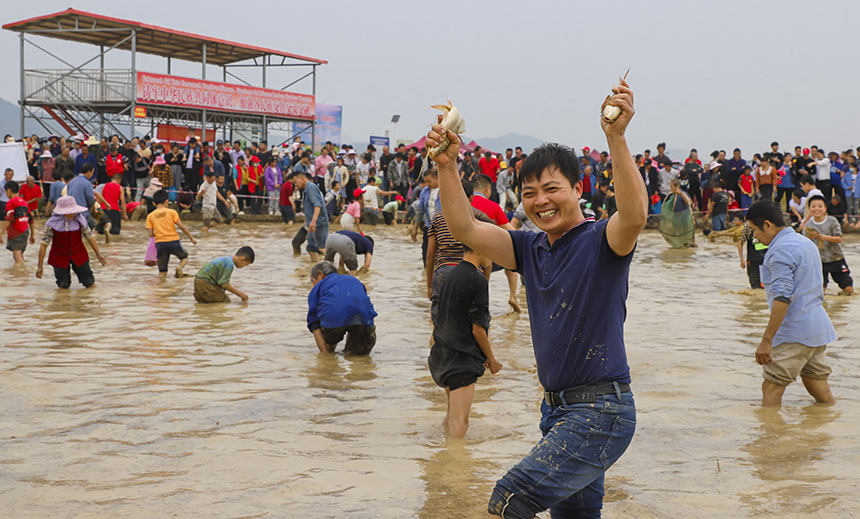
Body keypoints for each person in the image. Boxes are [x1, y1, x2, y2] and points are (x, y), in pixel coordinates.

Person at [427, 76, 643, 517]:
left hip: (600, 411)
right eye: (529, 194)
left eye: (551, 189)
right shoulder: (529, 248)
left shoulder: (604, 241)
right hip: (558, 414)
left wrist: (616, 138)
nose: (540, 202)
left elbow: (635, 215)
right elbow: (465, 228)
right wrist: (447, 165)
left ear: (579, 190)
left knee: (509, 499)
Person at [746, 201, 836, 407]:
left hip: (794, 332)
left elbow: (783, 297)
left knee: (771, 387)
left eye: (754, 230)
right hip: (817, 329)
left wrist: (766, 340)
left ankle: (769, 436)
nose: (755, 237)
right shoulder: (804, 242)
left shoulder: (780, 251)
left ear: (767, 225)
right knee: (819, 388)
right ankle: (827, 430)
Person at [429, 241, 502, 438]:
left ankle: (438, 460)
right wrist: (492, 360)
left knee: (450, 417)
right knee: (460, 423)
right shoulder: (477, 281)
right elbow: (478, 329)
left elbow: (442, 317)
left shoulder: (450, 274)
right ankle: (455, 467)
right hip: (460, 360)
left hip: (441, 355)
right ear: (478, 248)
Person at [306, 261, 377, 355]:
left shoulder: (318, 287)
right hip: (364, 319)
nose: (313, 285)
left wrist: (325, 354)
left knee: (328, 336)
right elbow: (359, 303)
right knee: (359, 355)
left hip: (334, 316)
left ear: (320, 275)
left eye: (312, 281)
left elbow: (313, 323)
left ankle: (329, 354)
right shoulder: (353, 280)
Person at [35, 196, 106, 288]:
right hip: (59, 256)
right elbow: (44, 244)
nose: (72, 213)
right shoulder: (52, 224)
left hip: (79, 254)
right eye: (69, 212)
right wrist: (40, 266)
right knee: (63, 284)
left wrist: (98, 254)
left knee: (89, 282)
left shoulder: (80, 220)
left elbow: (89, 236)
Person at [803, 195, 854, 295]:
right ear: (809, 209)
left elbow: (839, 239)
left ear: (825, 208)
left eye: (820, 206)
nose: (817, 209)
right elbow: (805, 244)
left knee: (848, 291)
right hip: (819, 261)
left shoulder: (832, 221)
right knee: (819, 292)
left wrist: (824, 237)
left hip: (836, 258)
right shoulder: (808, 225)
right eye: (813, 206)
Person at [145, 189, 198, 279]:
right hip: (173, 241)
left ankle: (160, 290)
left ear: (154, 203)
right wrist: (191, 238)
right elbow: (182, 227)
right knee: (184, 258)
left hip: (160, 244)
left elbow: (150, 234)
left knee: (162, 272)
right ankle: (179, 268)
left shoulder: (150, 216)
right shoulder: (172, 212)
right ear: (167, 201)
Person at [291, 170, 328, 262]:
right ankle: (315, 268)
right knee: (311, 248)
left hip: (318, 223)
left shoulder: (311, 188)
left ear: (302, 178)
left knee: (321, 247)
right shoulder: (306, 190)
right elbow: (309, 210)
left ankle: (334, 264)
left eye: (296, 182)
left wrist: (313, 222)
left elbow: (317, 205)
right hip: (312, 223)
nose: (295, 185)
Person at [0, 181, 35, 263]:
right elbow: (31, 219)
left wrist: (1, 232)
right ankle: (22, 273)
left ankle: (22, 273)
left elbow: (9, 218)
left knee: (17, 256)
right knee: (20, 255)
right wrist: (32, 234)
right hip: (25, 231)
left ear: (8, 190)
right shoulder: (23, 202)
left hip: (17, 231)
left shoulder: (11, 202)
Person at [737, 218, 767, 289]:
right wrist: (742, 260)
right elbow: (740, 242)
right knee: (755, 286)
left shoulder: (767, 225)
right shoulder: (748, 226)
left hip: (766, 262)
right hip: (753, 261)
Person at [98, 172, 127, 237]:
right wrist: (124, 214)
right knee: (115, 234)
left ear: (112, 179)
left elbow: (100, 199)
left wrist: (97, 211)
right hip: (114, 211)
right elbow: (122, 202)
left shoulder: (104, 186)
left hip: (103, 211)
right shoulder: (120, 188)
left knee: (100, 232)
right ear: (119, 180)